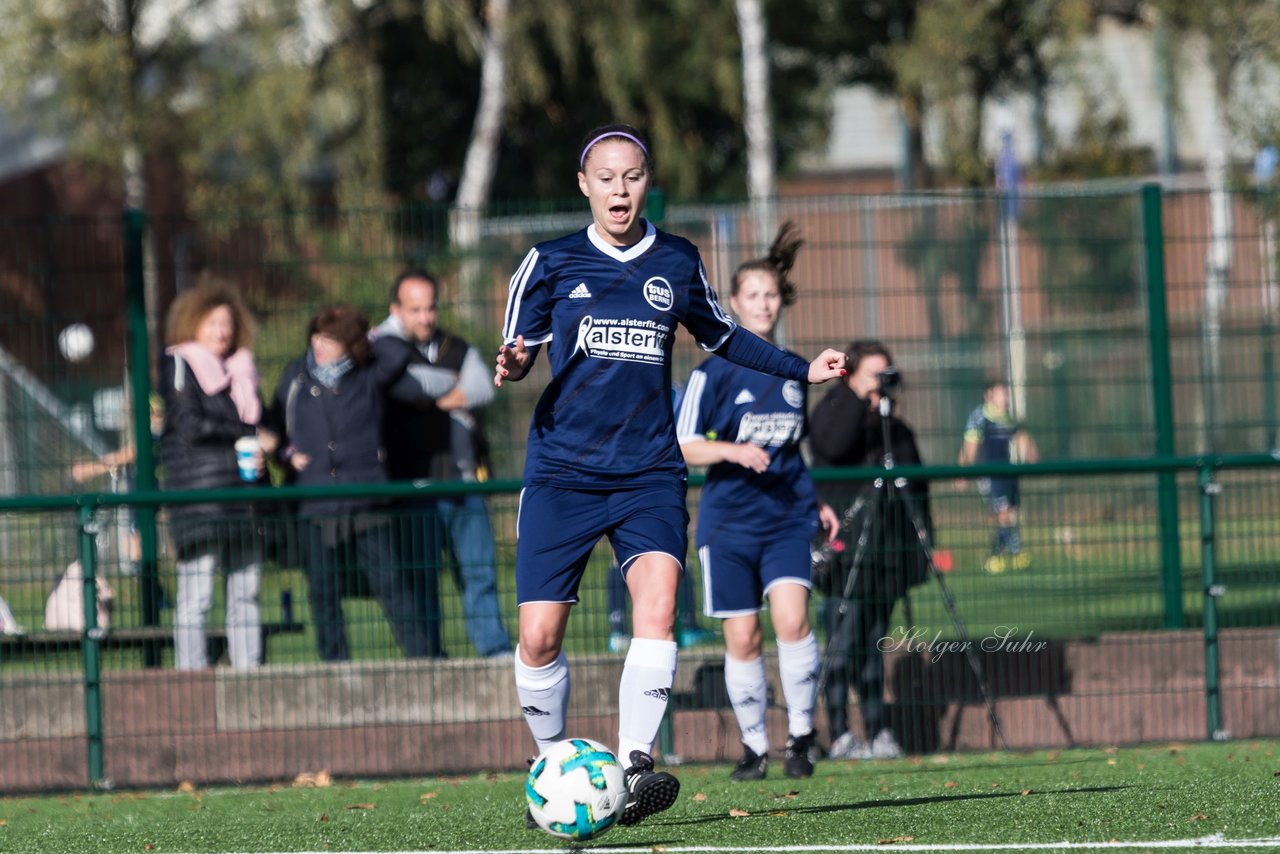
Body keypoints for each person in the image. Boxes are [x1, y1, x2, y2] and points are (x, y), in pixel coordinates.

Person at [495, 123, 847, 826]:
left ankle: (632, 769)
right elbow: (520, 349)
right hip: (563, 474)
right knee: (538, 637)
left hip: (650, 473)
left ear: (646, 183)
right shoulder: (550, 262)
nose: (620, 189)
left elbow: (725, 334)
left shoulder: (676, 261)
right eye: (607, 177)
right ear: (584, 186)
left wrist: (801, 368)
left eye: (632, 176)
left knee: (656, 610)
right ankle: (555, 767)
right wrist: (511, 363)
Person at [675, 221, 839, 781]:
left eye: (771, 295)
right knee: (743, 635)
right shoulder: (712, 373)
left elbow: (795, 451)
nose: (764, 304)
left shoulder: (795, 371)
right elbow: (687, 445)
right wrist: (733, 452)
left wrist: (815, 501)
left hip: (787, 518)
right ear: (734, 305)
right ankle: (753, 747)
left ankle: (800, 736)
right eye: (753, 296)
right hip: (729, 525)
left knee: (792, 621)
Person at [261, 305, 435, 662]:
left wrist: (366, 335)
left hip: (365, 496)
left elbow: (398, 352)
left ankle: (423, 659)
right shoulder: (295, 376)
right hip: (314, 499)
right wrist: (284, 456)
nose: (320, 344)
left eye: (333, 338)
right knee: (323, 591)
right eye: (318, 335)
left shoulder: (368, 372)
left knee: (390, 583)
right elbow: (272, 429)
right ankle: (334, 666)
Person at [373, 271, 514, 659]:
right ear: (395, 311)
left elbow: (483, 388)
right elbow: (404, 386)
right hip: (413, 486)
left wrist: (427, 395)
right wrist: (447, 386)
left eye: (430, 307)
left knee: (479, 575)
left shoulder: (458, 346)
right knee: (422, 580)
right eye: (415, 309)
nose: (425, 317)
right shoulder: (384, 350)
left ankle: (494, 651)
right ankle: (429, 658)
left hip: (464, 482)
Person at [809, 340, 932, 760]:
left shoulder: (891, 425)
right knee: (843, 643)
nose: (881, 384)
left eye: (887, 374)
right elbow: (832, 447)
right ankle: (840, 731)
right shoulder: (835, 410)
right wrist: (860, 401)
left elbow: (913, 478)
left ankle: (879, 729)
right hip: (844, 556)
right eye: (872, 376)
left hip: (884, 554)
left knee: (873, 645)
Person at [158, 279, 267, 670]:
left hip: (246, 500)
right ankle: (191, 680)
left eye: (227, 324)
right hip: (201, 501)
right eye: (212, 323)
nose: (222, 332)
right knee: (197, 596)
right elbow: (189, 425)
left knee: (246, 594)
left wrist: (267, 449)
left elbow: (266, 427)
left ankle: (248, 674)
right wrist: (252, 434)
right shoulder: (180, 364)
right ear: (192, 324)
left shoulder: (244, 372)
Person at [958, 380, 1039, 574]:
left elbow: (1022, 438)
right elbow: (969, 446)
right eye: (1002, 393)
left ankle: (997, 555)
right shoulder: (979, 417)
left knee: (1008, 513)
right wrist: (963, 472)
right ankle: (1014, 553)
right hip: (989, 473)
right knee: (1002, 513)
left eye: (1006, 393)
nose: (1006, 398)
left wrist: (1031, 452)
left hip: (1008, 472)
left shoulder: (1008, 418)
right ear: (989, 395)